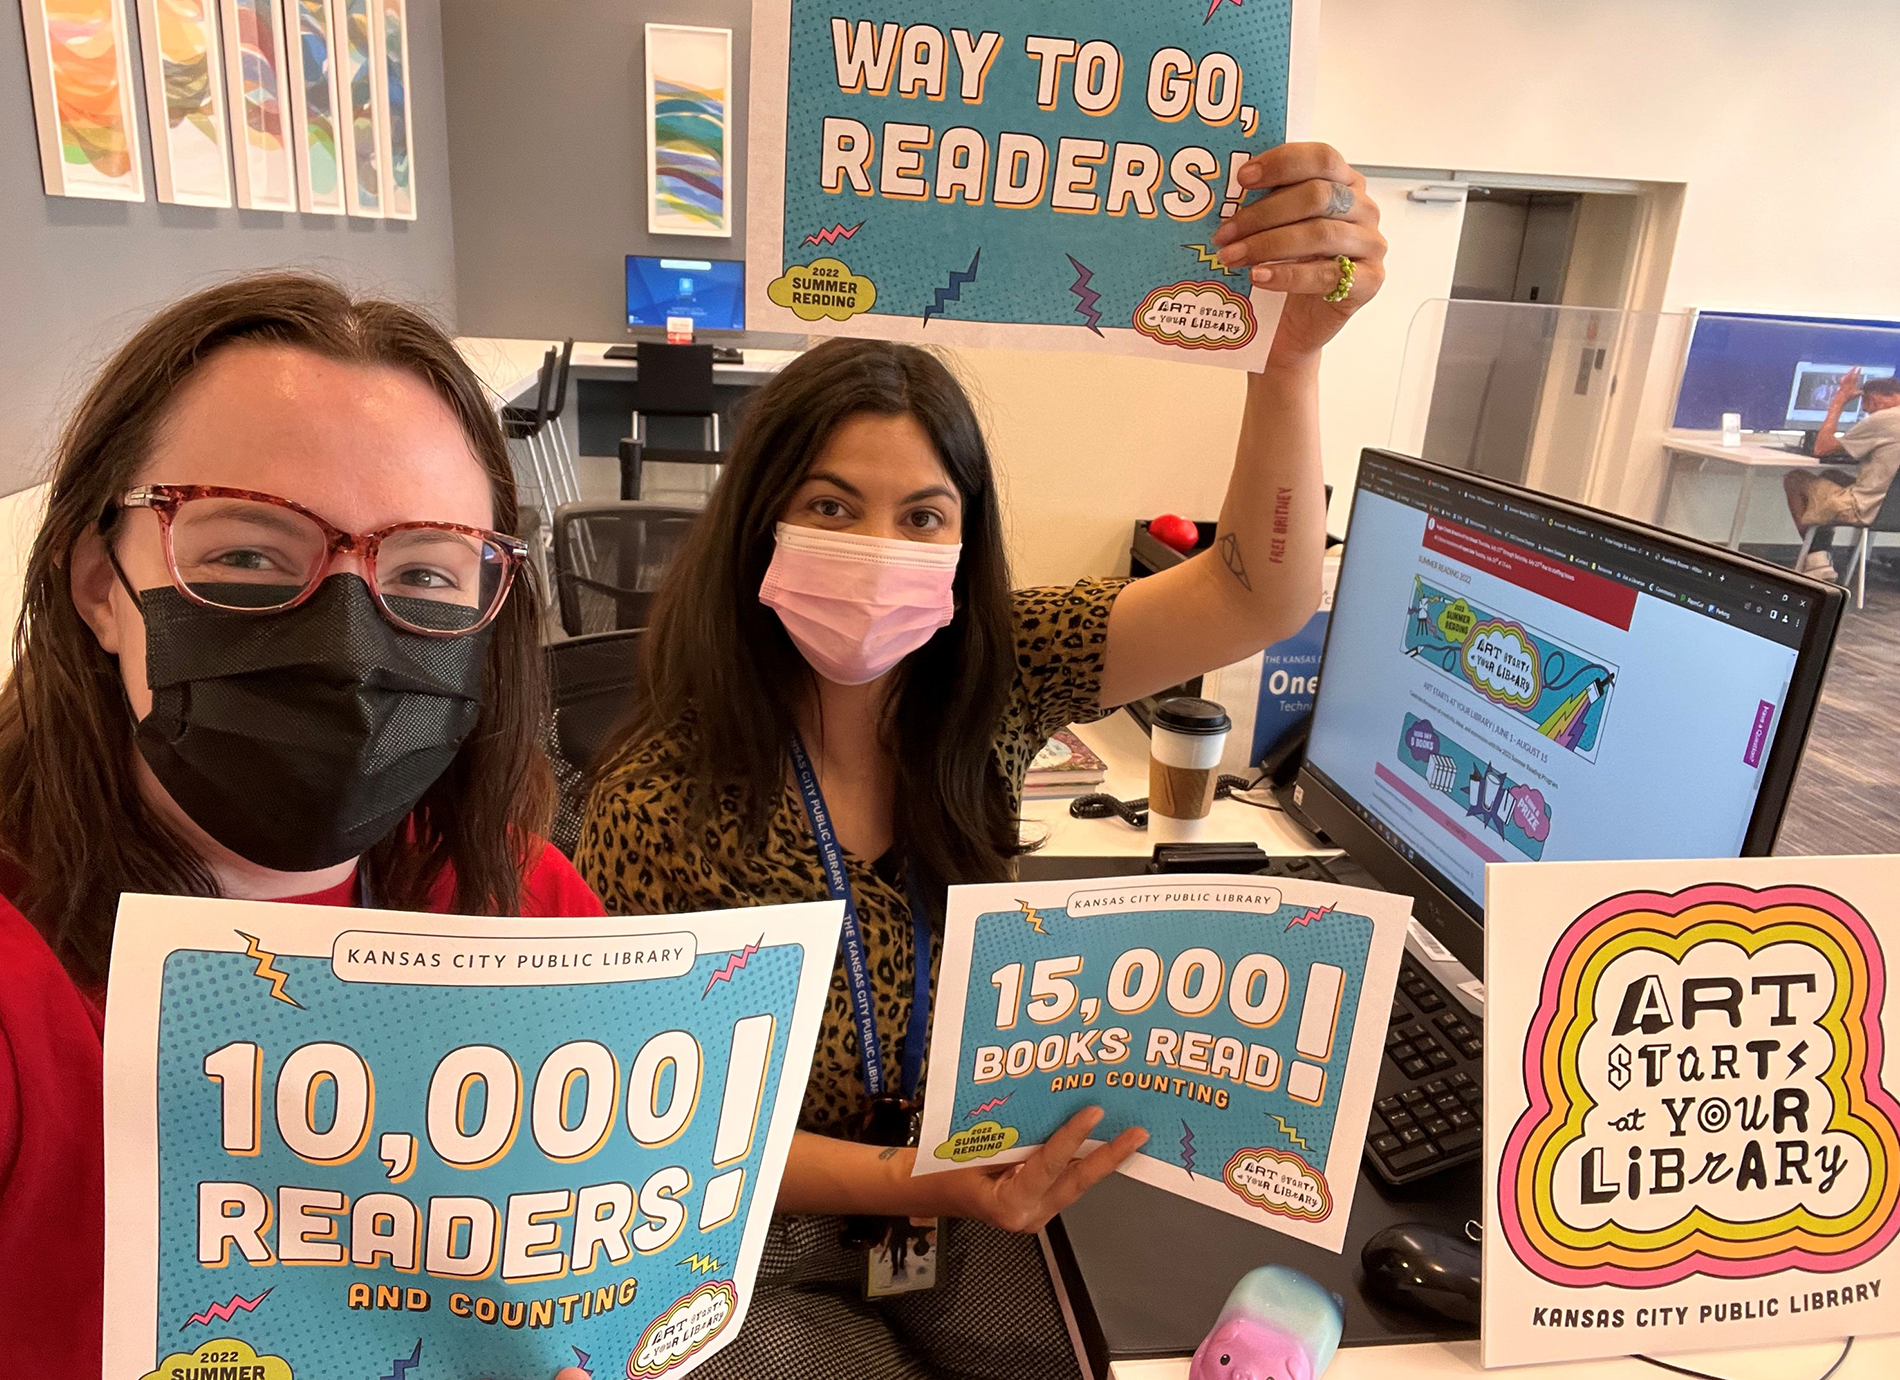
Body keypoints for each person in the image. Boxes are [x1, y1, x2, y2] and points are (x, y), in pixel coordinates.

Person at [577, 142, 1386, 1379]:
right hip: (749, 1225)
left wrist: (1289, 362)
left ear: (964, 544)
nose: (877, 549)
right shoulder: (657, 803)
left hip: (960, 1188)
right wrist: (929, 1184)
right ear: (758, 524)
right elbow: (661, 1131)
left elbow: (1257, 593)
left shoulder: (994, 679)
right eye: (831, 507)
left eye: (922, 516)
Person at [0, 274, 606, 1379]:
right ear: (98, 586)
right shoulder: (19, 989)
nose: (350, 638)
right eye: (246, 554)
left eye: (423, 571)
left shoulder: (520, 901)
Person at [1785, 366, 1900, 578]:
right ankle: (1821, 555)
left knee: (1794, 479)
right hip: (1893, 508)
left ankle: (1817, 559)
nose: (1866, 410)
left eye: (1867, 403)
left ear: (1874, 399)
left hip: (1867, 509)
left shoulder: (1883, 418)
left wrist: (1839, 401)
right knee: (1831, 477)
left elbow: (1822, 447)